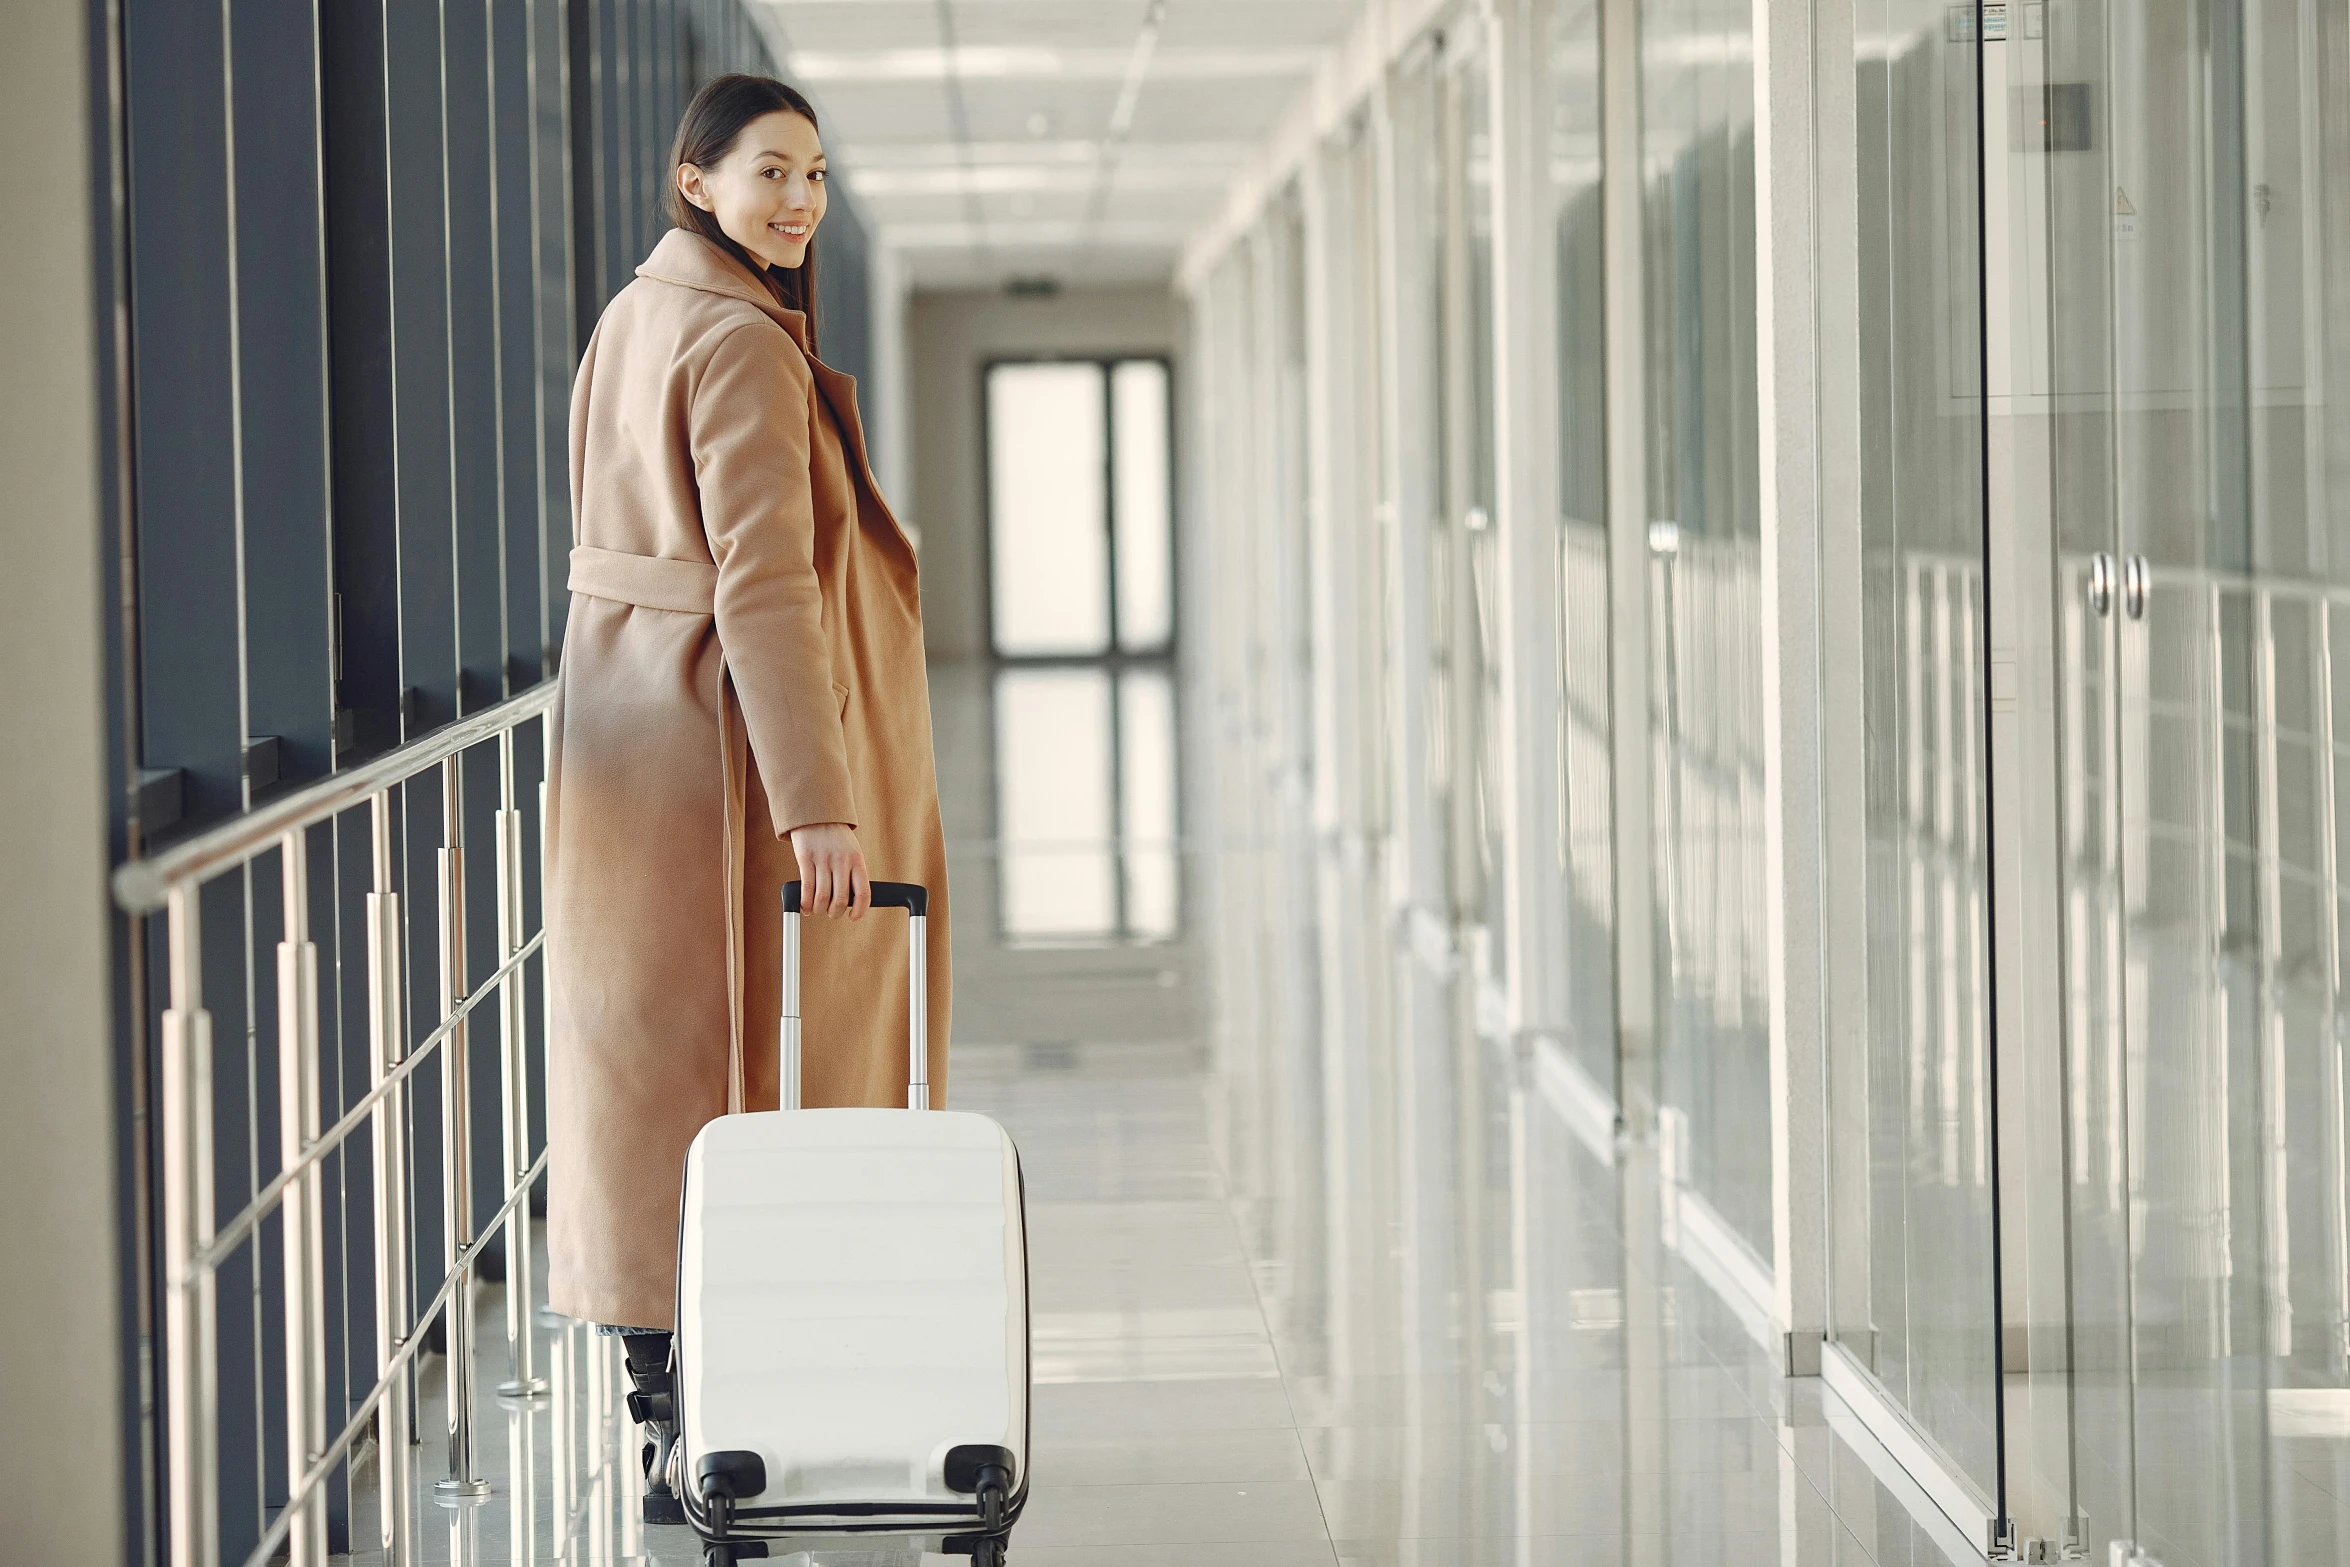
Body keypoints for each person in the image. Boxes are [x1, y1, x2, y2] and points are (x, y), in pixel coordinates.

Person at [541, 72, 953, 1521]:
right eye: (769, 170)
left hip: (629, 741)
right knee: (754, 1080)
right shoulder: (738, 344)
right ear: (694, 180)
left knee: (648, 1072)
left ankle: (665, 1408)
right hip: (721, 761)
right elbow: (765, 587)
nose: (798, 200)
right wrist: (818, 803)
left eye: (817, 174)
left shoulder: (633, 317)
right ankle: (722, 1406)